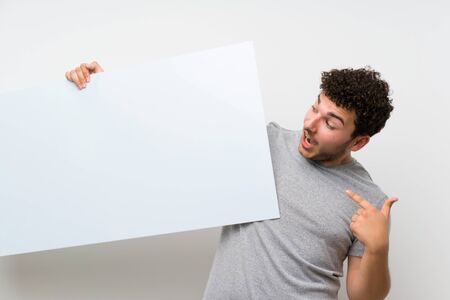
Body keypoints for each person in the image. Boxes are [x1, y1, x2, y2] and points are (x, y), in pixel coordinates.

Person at [66, 62, 397, 300]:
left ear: (358, 141)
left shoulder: (369, 201)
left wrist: (378, 249)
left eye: (331, 122)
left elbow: (365, 297)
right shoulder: (262, 143)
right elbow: (168, 136)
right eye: (315, 107)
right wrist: (105, 92)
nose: (311, 123)